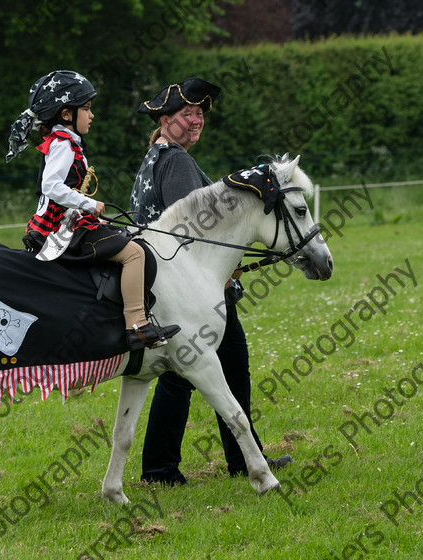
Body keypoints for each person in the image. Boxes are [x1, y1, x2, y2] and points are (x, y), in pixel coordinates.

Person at [130, 77, 292, 484]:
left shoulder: (156, 156)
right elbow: (196, 228)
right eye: (188, 114)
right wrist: (221, 272)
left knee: (226, 366)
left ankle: (236, 460)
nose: (196, 120)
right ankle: (162, 469)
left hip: (166, 282)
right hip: (189, 288)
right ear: (166, 119)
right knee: (182, 376)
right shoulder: (177, 161)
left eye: (200, 114)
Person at [6, 70, 179, 350]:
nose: (92, 115)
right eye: (86, 109)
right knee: (135, 253)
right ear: (65, 114)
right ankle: (137, 326)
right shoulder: (62, 144)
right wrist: (89, 204)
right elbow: (51, 187)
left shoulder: (64, 141)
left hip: (70, 223)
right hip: (64, 229)